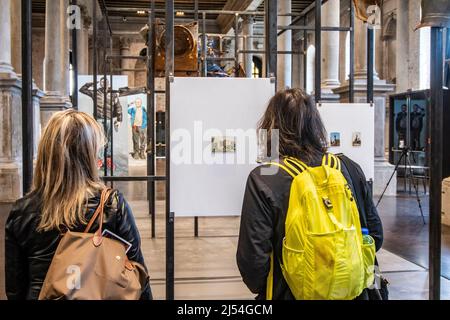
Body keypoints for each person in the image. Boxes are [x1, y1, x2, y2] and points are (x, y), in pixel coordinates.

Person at [236, 88, 383, 300]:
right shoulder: (349, 168)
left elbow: (253, 261)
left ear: (271, 128)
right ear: (316, 125)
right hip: (353, 293)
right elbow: (375, 236)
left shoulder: (264, 178)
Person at [5, 110, 152, 300]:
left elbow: (15, 289)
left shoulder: (22, 211)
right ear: (88, 154)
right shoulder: (111, 206)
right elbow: (138, 276)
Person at [80, 77, 123, 166]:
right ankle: (99, 159)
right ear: (100, 84)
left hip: (109, 119)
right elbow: (82, 90)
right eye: (102, 82)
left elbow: (118, 107)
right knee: (100, 138)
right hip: (98, 119)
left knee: (109, 139)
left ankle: (108, 158)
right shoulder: (95, 93)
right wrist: (92, 83)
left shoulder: (113, 94)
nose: (104, 83)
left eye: (105, 82)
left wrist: (119, 120)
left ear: (108, 83)